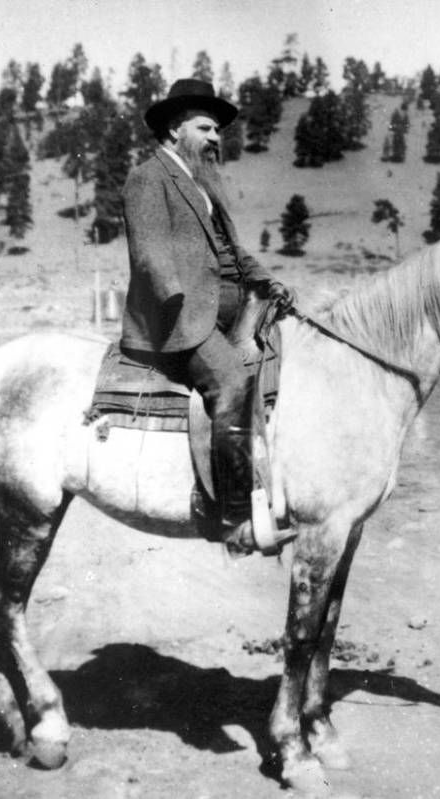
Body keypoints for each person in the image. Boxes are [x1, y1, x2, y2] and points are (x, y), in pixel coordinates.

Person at [119, 78, 294, 550]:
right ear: (176, 129)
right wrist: (175, 299)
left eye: (218, 130)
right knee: (233, 382)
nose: (217, 138)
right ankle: (234, 518)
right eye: (206, 128)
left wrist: (268, 282)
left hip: (223, 316)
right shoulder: (148, 178)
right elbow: (150, 253)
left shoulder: (201, 185)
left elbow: (231, 251)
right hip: (179, 324)